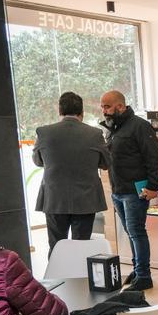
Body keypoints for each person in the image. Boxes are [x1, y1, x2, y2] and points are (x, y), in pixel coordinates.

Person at [33, 91, 110, 254]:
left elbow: (38, 161)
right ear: (81, 112)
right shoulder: (95, 134)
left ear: (59, 111)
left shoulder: (43, 132)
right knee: (81, 248)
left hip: (54, 198)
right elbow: (106, 163)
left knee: (56, 246)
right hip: (85, 199)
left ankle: (58, 279)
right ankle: (80, 279)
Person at [100, 90, 158, 291]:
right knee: (131, 231)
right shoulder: (112, 128)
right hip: (118, 189)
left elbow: (153, 157)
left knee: (136, 231)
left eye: (107, 106)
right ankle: (138, 270)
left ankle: (144, 276)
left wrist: (153, 186)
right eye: (102, 107)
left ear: (119, 106)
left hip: (135, 190)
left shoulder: (140, 126)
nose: (103, 111)